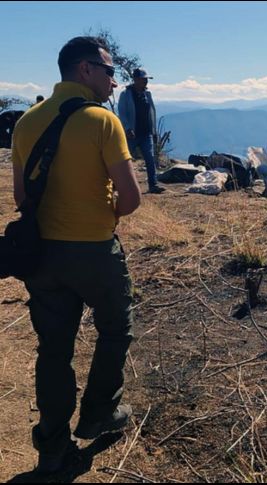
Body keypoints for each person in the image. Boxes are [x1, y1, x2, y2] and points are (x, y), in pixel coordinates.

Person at [11, 36, 141, 474]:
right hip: (95, 252)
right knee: (116, 329)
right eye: (109, 71)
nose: (114, 81)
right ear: (85, 69)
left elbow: (21, 196)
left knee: (54, 350)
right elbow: (130, 198)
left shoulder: (26, 121)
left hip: (42, 257)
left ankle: (52, 447)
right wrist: (103, 214)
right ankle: (100, 412)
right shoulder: (102, 121)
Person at [118, 68, 164, 193]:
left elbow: (151, 113)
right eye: (143, 79)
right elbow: (122, 113)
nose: (146, 82)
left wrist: (153, 131)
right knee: (123, 159)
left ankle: (153, 185)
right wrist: (127, 128)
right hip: (131, 134)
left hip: (146, 132)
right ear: (136, 80)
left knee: (150, 158)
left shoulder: (147, 94)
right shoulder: (126, 94)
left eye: (146, 80)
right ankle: (119, 184)